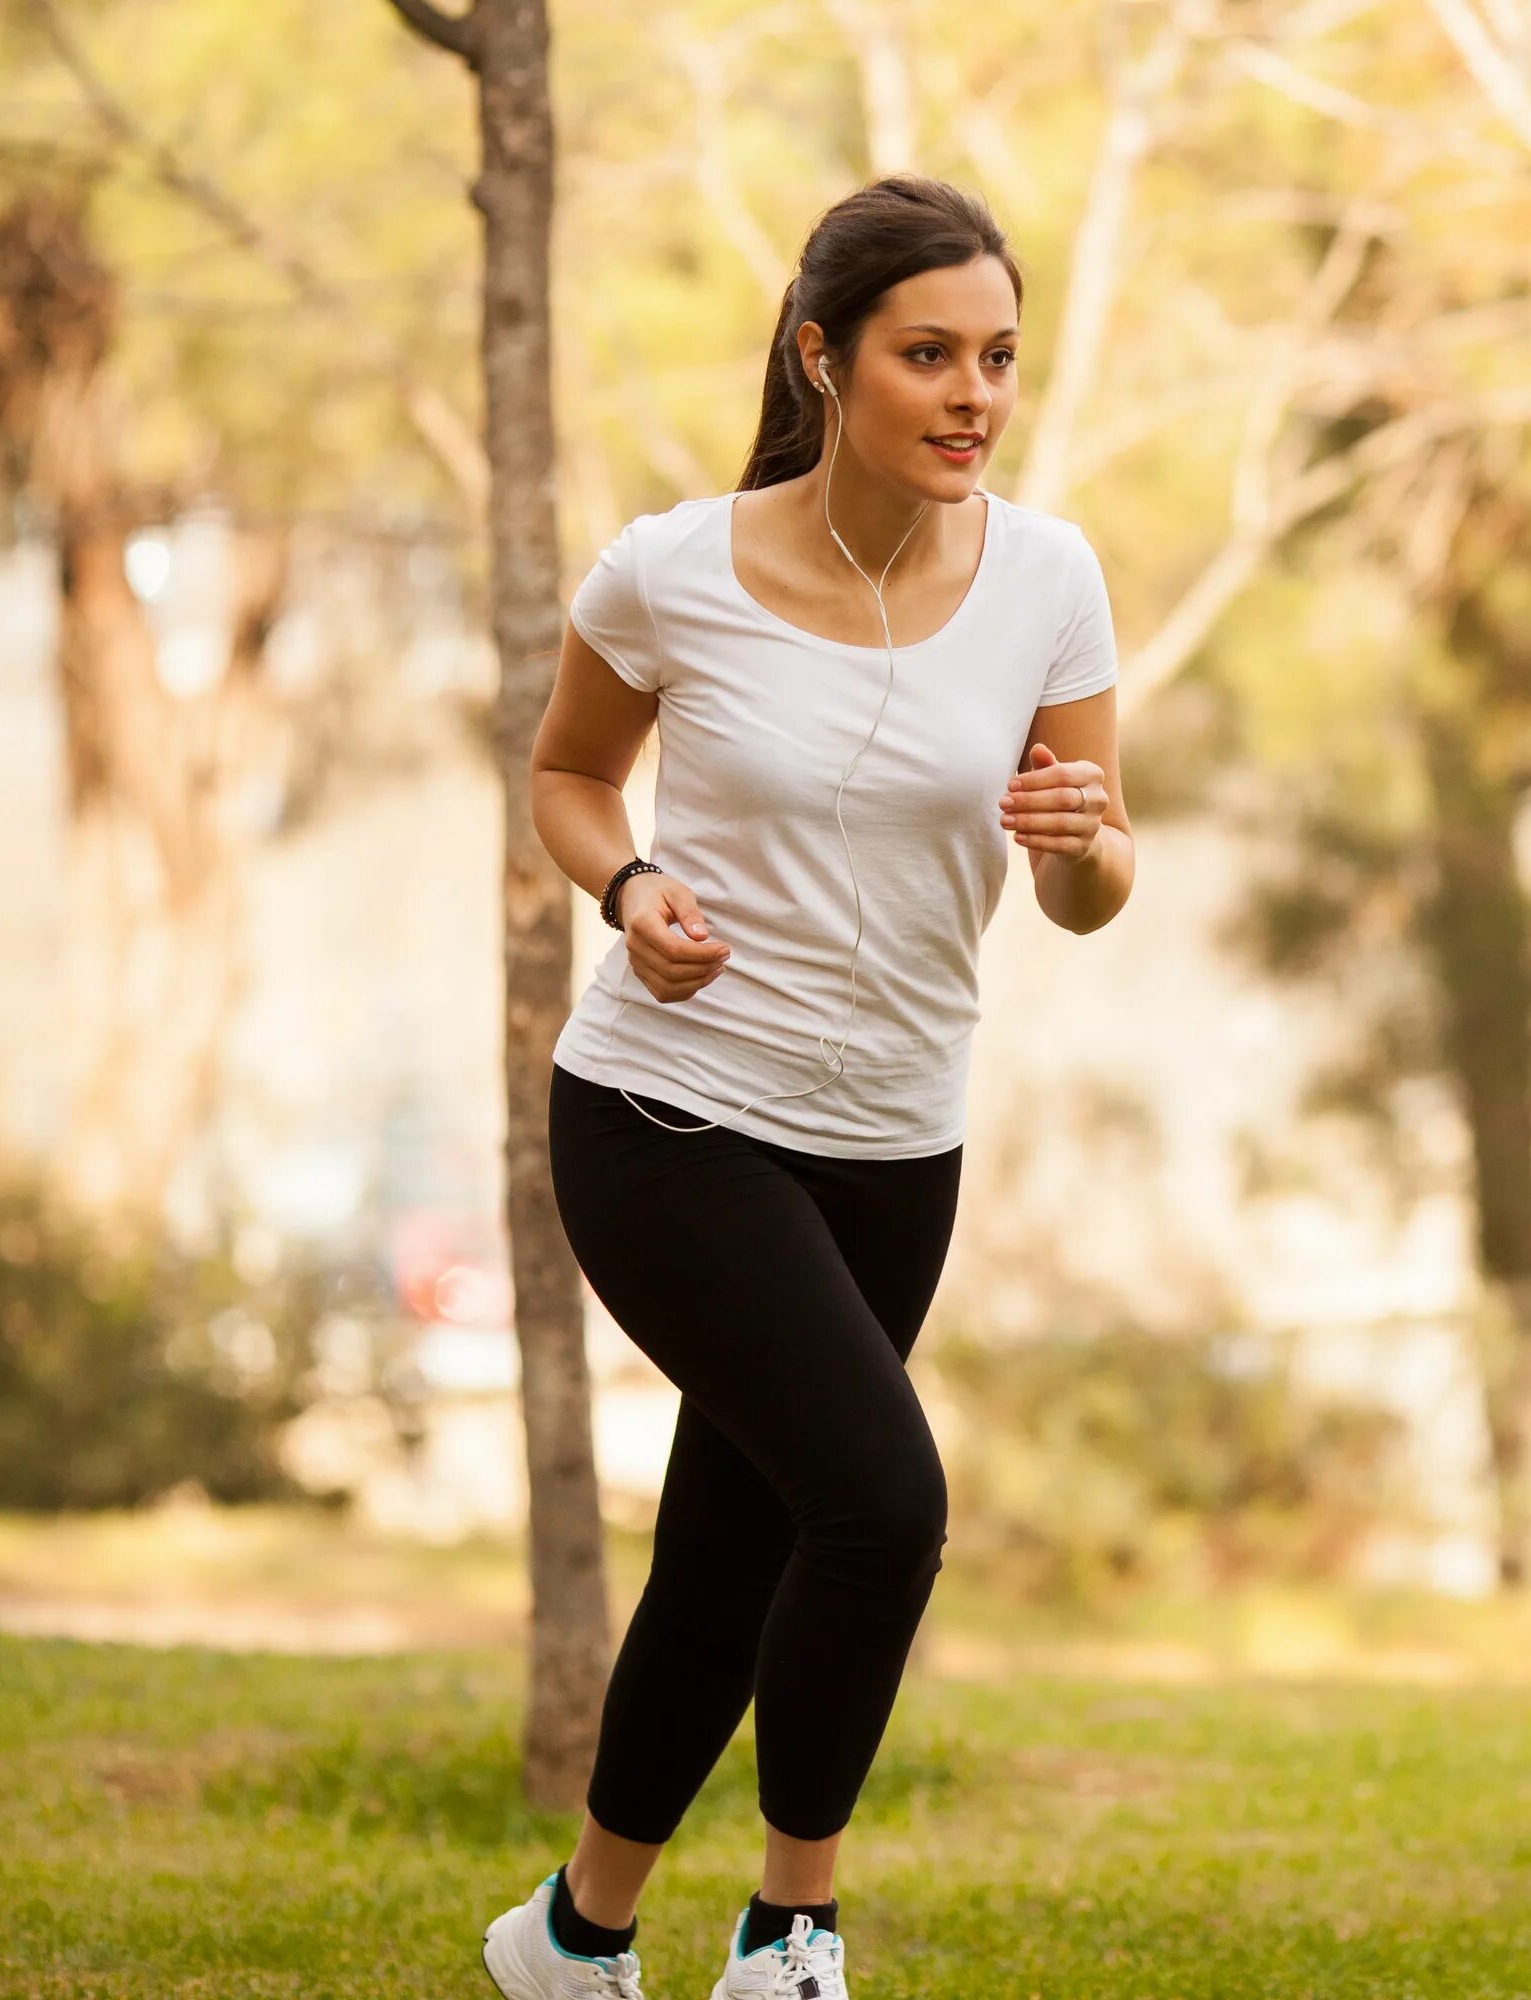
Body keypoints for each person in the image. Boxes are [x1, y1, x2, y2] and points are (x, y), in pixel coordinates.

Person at [479, 175, 1133, 2000]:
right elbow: (567, 778)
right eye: (929, 355)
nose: (971, 395)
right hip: (668, 1114)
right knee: (881, 1505)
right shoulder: (672, 566)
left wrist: (1084, 843)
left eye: (997, 358)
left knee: (731, 1540)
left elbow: (1087, 890)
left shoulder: (1053, 579)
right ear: (822, 357)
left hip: (895, 1144)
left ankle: (573, 1937)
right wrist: (628, 889)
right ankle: (793, 1927)